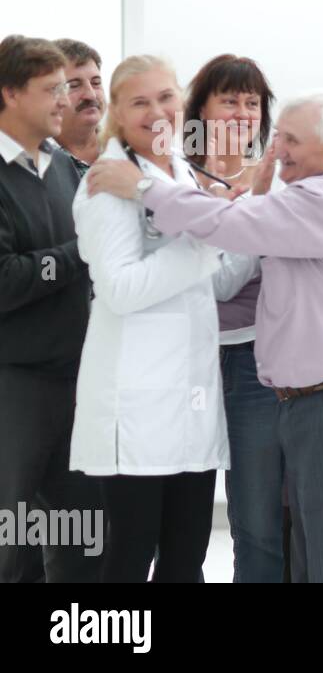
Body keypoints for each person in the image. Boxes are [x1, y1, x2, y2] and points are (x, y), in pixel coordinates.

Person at [86, 92, 323, 582]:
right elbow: (241, 239)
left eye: (293, 140)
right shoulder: (315, 192)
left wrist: (142, 187)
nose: (278, 149)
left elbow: (227, 225)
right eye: (278, 135)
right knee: (319, 548)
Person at [73, 55, 233, 582]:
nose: (157, 111)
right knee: (131, 555)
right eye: (140, 102)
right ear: (117, 111)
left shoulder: (180, 173)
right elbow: (117, 290)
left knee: (188, 557)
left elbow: (212, 276)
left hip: (192, 399)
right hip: (137, 406)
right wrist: (204, 244)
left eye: (166, 96)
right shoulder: (106, 183)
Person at [0, 34, 100, 583]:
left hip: (75, 384)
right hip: (14, 388)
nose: (64, 100)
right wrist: (77, 252)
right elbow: (7, 278)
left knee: (81, 538)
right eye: (51, 90)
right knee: (12, 542)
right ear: (10, 93)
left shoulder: (64, 168)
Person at [182, 53, 285, 582]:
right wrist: (252, 215)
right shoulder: (175, 181)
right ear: (199, 109)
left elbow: (223, 275)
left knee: (259, 521)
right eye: (229, 100)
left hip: (255, 362)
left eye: (252, 103)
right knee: (181, 529)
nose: (243, 112)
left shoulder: (277, 183)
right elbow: (215, 282)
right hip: (185, 363)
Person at [51, 38, 104, 177]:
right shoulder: (31, 163)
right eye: (74, 85)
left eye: (96, 83)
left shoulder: (131, 152)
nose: (91, 95)